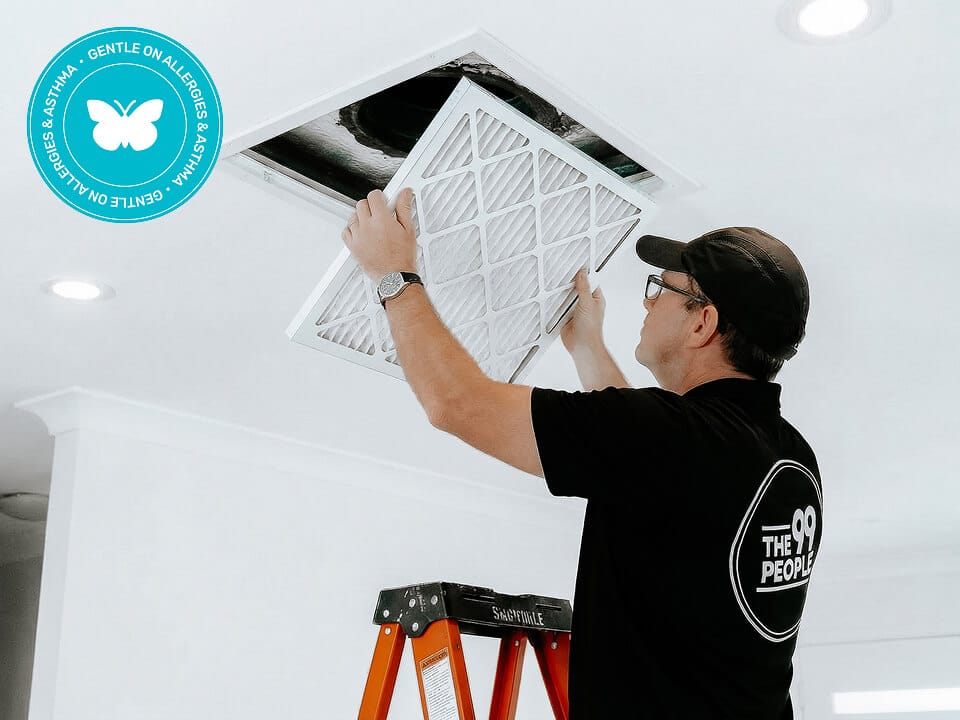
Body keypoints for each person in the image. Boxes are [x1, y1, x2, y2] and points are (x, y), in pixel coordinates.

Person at [342, 187, 823, 719]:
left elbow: (457, 404)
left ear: (701, 323)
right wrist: (589, 347)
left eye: (661, 289)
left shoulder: (672, 437)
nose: (648, 300)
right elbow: (649, 466)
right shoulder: (789, 457)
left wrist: (393, 273)